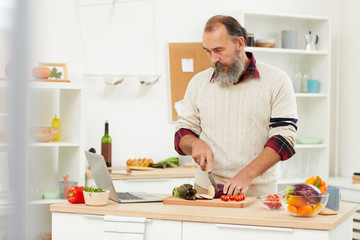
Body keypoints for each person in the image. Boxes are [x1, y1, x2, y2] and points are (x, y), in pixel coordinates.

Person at [174, 15, 298, 197]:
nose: (213, 59)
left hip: (257, 192)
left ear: (240, 43)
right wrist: (195, 144)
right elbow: (182, 133)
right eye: (208, 51)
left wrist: (247, 175)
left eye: (219, 50)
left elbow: (284, 139)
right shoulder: (198, 83)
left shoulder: (277, 80)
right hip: (206, 190)